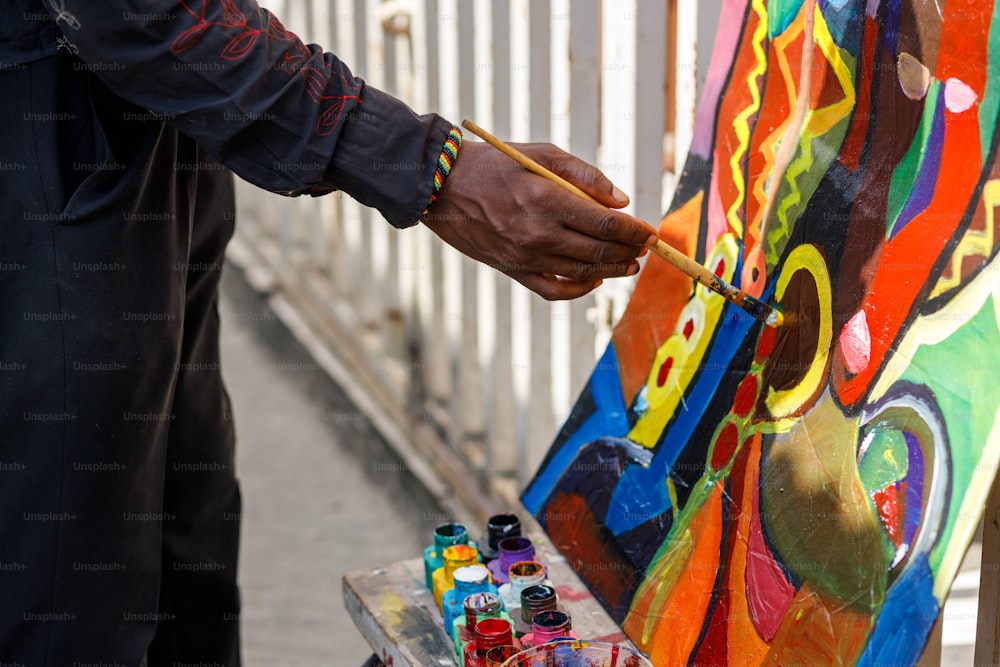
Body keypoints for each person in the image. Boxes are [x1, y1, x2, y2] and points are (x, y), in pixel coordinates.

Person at [0, 0, 656, 663]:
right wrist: (422, 164)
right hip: (40, 127)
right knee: (69, 585)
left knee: (182, 553)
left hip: (154, 115)